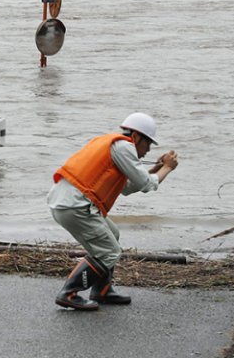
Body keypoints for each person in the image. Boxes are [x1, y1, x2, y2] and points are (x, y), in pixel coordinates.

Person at [48, 112, 178, 311]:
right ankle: (69, 293)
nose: (147, 151)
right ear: (136, 137)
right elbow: (146, 185)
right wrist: (167, 168)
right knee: (109, 251)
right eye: (148, 144)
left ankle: (102, 290)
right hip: (76, 206)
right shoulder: (125, 146)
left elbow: (126, 187)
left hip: (67, 203)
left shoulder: (112, 144)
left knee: (113, 235)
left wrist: (154, 169)